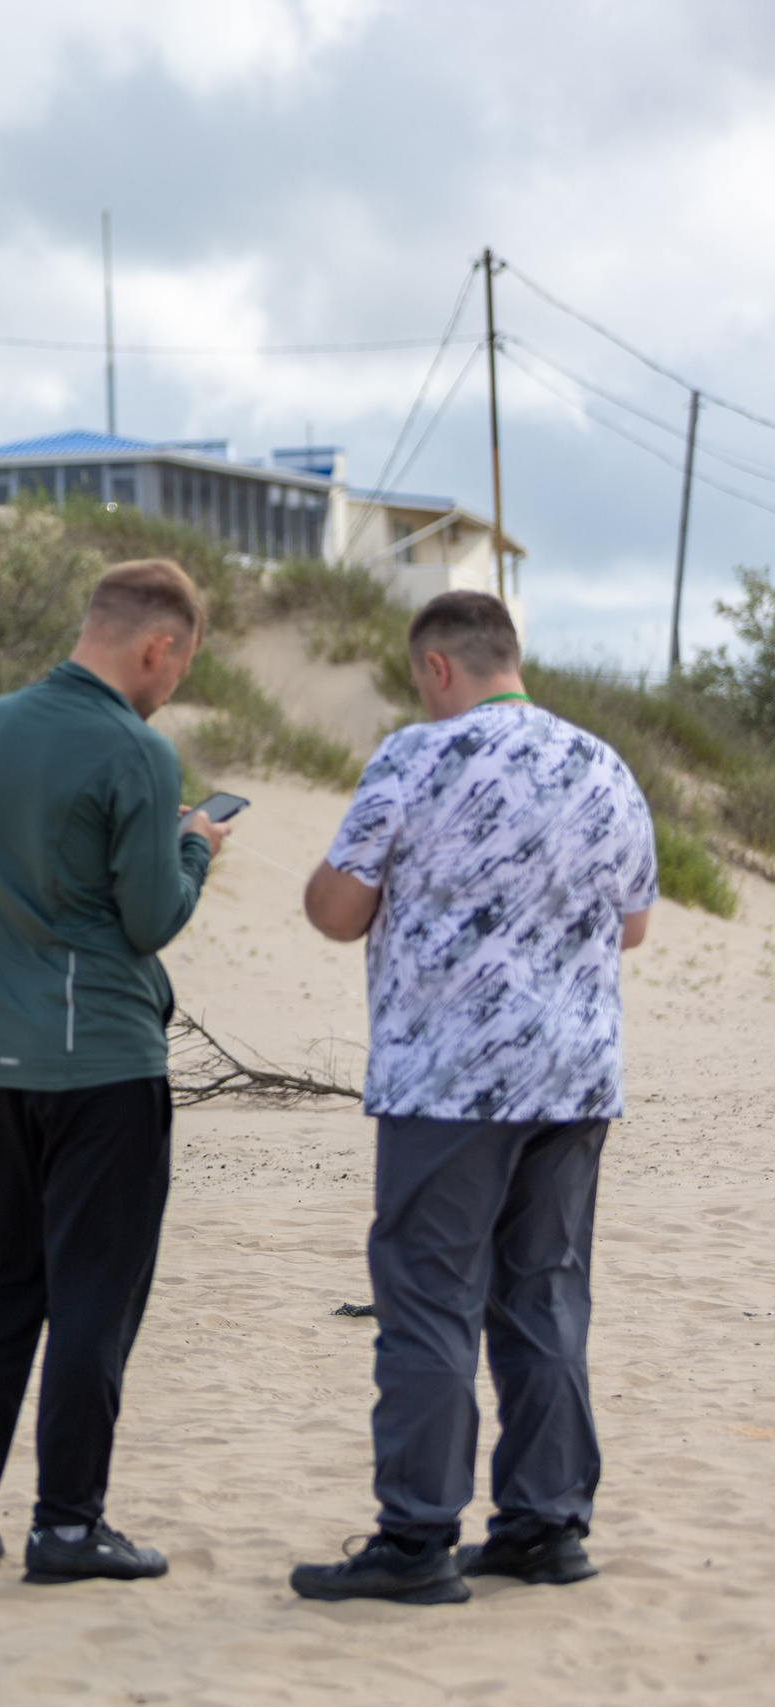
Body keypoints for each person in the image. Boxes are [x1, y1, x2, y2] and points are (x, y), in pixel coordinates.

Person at [289, 591, 655, 1606]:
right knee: (542, 1295)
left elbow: (336, 908)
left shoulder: (417, 755)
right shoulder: (603, 765)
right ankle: (544, 1524)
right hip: (575, 1079)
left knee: (428, 1302)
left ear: (438, 668)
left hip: (447, 1082)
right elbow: (632, 926)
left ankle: (415, 1536)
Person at [0, 558, 227, 1587]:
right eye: (177, 666)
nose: (172, 685)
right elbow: (150, 916)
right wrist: (194, 851)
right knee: (94, 1300)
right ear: (156, 646)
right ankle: (65, 1524)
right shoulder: (137, 750)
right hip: (102, 1062)